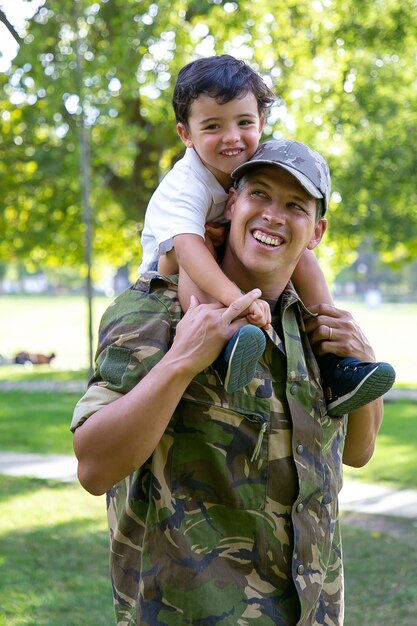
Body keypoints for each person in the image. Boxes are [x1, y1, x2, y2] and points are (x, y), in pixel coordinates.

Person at [72, 138, 388, 626]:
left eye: (295, 206)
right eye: (258, 194)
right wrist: (181, 363)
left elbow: (358, 452)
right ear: (230, 204)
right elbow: (94, 466)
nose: (272, 216)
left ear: (317, 231)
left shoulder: (308, 325)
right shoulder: (158, 311)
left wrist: (358, 357)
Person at [138, 55, 395, 415]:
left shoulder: (248, 165)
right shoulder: (184, 185)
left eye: (243, 122)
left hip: (211, 250)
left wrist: (348, 339)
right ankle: (224, 346)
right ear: (186, 134)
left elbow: (360, 454)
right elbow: (189, 250)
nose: (232, 138)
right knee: (190, 261)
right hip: (172, 265)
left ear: (261, 123)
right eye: (212, 127)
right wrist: (237, 301)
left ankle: (337, 362)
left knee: (302, 254)